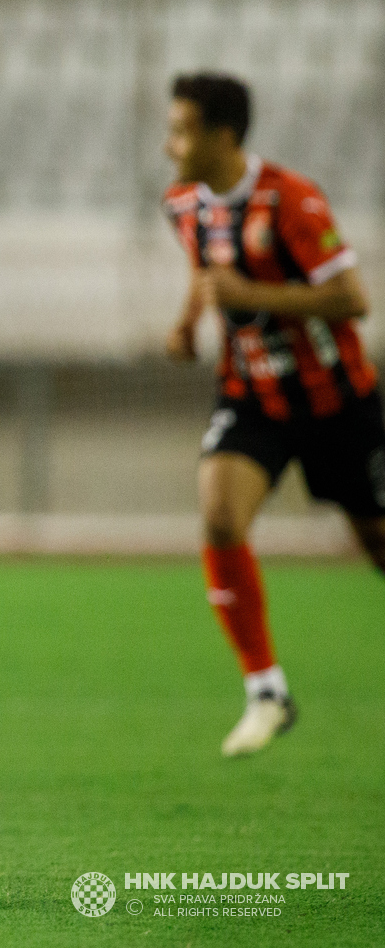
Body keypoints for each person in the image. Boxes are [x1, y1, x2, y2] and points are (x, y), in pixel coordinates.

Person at [163, 72, 378, 757]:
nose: (171, 146)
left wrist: (252, 292)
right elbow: (208, 272)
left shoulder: (292, 201)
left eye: (183, 130)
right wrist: (188, 320)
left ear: (222, 136)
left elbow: (351, 300)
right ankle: (266, 691)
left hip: (337, 400)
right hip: (252, 394)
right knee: (221, 517)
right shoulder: (181, 205)